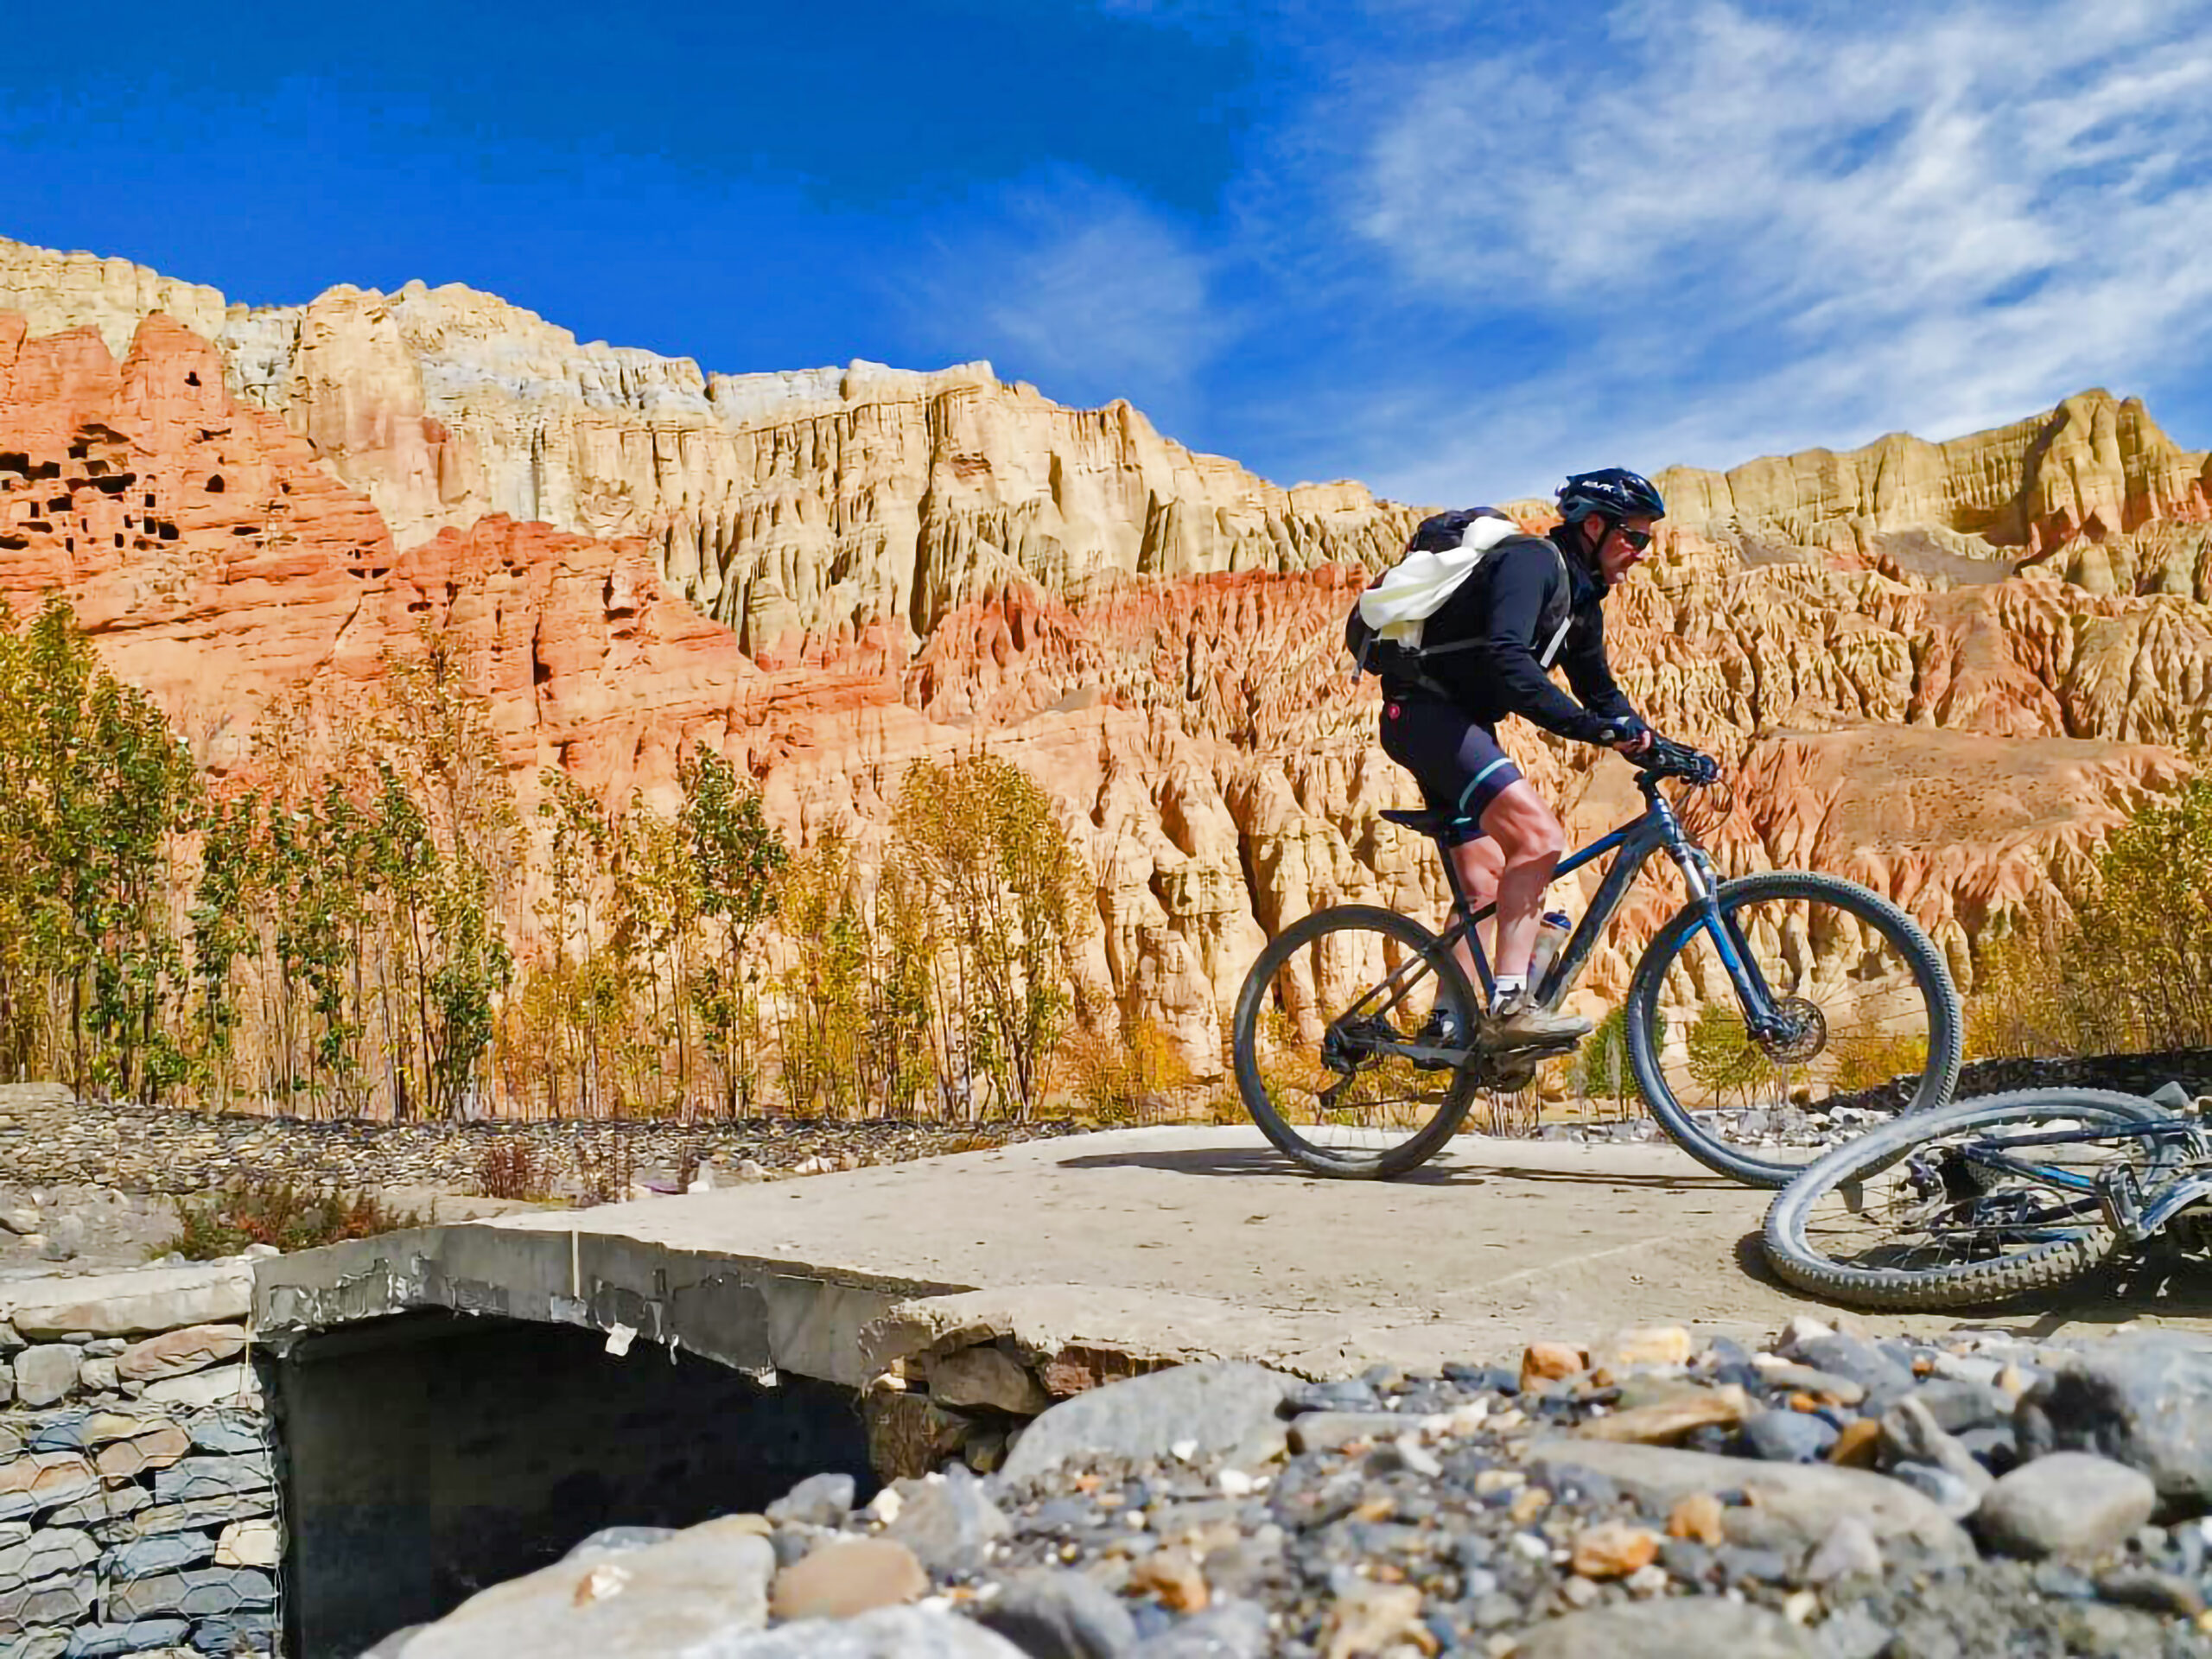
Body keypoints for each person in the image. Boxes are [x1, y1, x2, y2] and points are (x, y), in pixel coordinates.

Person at [1376, 467, 1667, 1050]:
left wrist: (1660, 745)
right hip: (1427, 716)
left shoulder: (1583, 604)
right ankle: (1510, 1005)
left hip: (1456, 724)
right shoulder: (1532, 562)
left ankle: (1446, 1027)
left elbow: (1602, 692)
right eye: (1634, 537)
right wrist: (1588, 729)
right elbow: (1511, 665)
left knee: (1484, 891)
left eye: (1647, 540)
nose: (1641, 552)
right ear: (1594, 526)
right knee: (1538, 839)